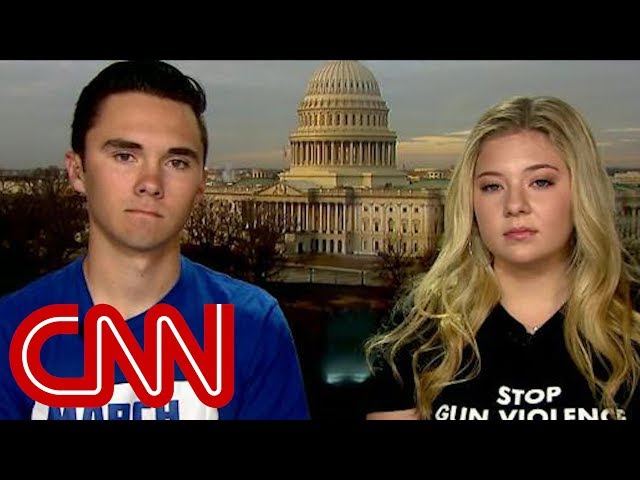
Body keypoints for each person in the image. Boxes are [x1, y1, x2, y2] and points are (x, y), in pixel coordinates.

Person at [0, 60, 310, 420]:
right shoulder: (10, 330)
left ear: (201, 183)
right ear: (77, 171)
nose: (150, 183)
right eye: (125, 156)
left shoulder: (254, 326)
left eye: (176, 162)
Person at [363, 95, 640, 421]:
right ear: (471, 203)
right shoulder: (420, 330)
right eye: (493, 186)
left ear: (582, 192)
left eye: (540, 182)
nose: (515, 205)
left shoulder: (632, 326)